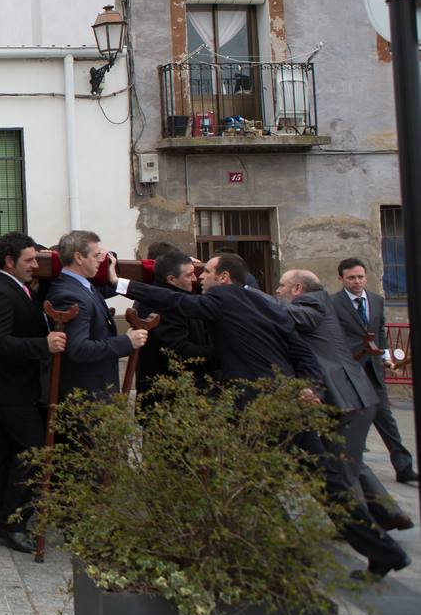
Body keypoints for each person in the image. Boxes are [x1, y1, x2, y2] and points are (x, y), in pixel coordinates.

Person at [114, 253, 411, 581]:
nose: (201, 277)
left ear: (224, 278)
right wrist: (310, 387)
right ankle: (385, 552)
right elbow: (299, 351)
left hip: (259, 408)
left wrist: (120, 283)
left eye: (208, 272)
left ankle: (289, 558)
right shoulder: (267, 303)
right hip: (289, 404)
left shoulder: (222, 297)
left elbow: (175, 301)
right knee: (328, 483)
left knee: (252, 483)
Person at [276, 270, 413, 532]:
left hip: (349, 398)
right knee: (351, 462)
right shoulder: (320, 302)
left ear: (296, 289)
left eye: (282, 286)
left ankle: (366, 530)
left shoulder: (312, 304)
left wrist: (245, 294)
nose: (277, 290)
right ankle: (390, 514)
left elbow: (285, 314)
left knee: (342, 469)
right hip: (345, 398)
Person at [0, 232, 63, 554]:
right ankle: (13, 523)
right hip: (8, 388)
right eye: (29, 260)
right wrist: (42, 344)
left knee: (3, 454)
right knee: (36, 452)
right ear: (9, 262)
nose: (35, 266)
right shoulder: (2, 292)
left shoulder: (20, 289)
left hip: (15, 386)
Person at [333, 258, 417, 484]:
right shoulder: (333, 303)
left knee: (386, 420)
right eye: (351, 278)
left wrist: (386, 357)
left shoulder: (377, 301)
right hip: (349, 372)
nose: (357, 282)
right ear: (341, 279)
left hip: (373, 370)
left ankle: (404, 467)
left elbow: (379, 331)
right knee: (346, 420)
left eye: (360, 277)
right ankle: (343, 466)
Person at [46, 230, 146, 398]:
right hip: (85, 397)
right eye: (96, 255)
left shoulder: (84, 286)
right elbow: (78, 349)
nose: (101, 260)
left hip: (97, 392)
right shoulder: (69, 294)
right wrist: (126, 342)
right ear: (78, 257)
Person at [133, 249, 216, 393]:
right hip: (169, 392)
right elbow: (180, 351)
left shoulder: (181, 295)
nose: (195, 279)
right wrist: (219, 355)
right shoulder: (161, 305)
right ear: (171, 279)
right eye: (189, 275)